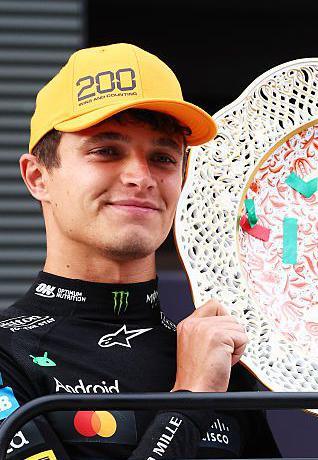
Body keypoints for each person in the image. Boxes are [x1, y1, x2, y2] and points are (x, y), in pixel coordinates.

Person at [0, 43, 280, 459]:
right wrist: (190, 401)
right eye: (106, 151)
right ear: (38, 176)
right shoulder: (9, 355)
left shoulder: (218, 357)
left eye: (164, 157)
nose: (140, 176)